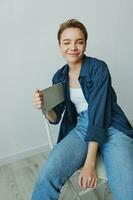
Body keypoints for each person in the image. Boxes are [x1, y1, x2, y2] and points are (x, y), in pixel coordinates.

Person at [32, 19, 133, 200]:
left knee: (127, 191)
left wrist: (90, 163)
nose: (73, 47)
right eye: (67, 42)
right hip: (81, 127)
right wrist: (45, 107)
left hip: (111, 125)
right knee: (45, 176)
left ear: (85, 44)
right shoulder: (59, 76)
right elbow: (55, 117)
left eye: (79, 41)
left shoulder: (98, 68)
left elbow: (99, 114)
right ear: (59, 45)